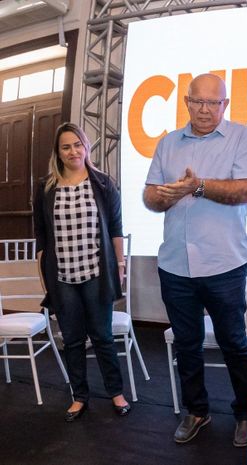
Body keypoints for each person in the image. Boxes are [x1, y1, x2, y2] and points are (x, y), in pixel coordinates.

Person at [143, 73, 247, 446]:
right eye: (198, 102)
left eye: (214, 102)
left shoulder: (242, 137)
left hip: (224, 264)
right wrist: (165, 196)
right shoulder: (167, 143)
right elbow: (149, 197)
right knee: (187, 344)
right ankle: (196, 411)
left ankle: (246, 413)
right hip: (175, 265)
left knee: (234, 343)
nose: (205, 110)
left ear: (225, 104)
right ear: (187, 102)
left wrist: (198, 186)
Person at [33, 122, 131, 421]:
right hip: (62, 278)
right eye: (66, 146)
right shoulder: (45, 187)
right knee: (73, 339)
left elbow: (115, 229)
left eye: (77, 144)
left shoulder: (103, 184)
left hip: (96, 275)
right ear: (58, 152)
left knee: (102, 336)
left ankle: (116, 393)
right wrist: (44, 278)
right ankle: (79, 397)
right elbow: (41, 236)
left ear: (86, 146)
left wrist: (120, 265)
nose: (73, 151)